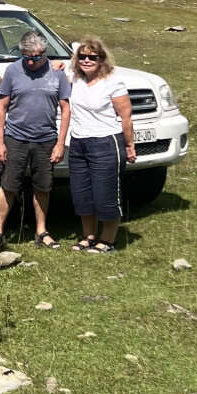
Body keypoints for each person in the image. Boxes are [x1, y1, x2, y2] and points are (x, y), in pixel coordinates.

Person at [0, 32, 70, 250]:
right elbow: (2, 108)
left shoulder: (57, 73)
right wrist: (0, 142)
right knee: (8, 184)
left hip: (46, 139)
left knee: (43, 186)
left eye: (35, 57)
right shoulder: (12, 70)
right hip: (15, 137)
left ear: (44, 53)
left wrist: (60, 143)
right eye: (25, 56)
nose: (30, 62)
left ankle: (41, 231)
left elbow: (65, 109)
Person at [67, 38, 136, 253]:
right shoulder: (75, 77)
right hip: (78, 142)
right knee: (82, 193)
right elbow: (55, 68)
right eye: (82, 57)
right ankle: (88, 236)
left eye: (92, 57)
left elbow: (126, 116)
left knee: (105, 193)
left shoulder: (112, 82)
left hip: (105, 142)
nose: (86, 61)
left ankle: (107, 240)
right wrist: (55, 64)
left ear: (101, 59)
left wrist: (130, 145)